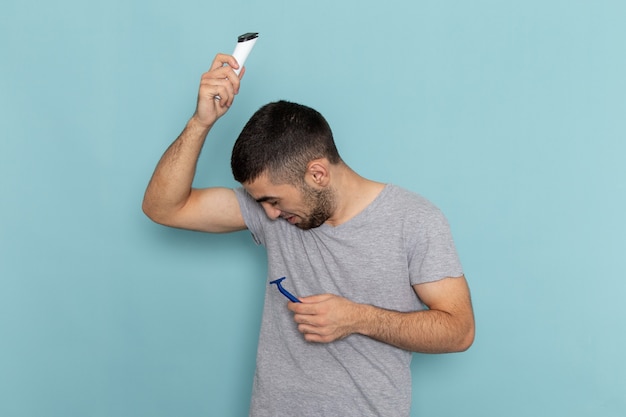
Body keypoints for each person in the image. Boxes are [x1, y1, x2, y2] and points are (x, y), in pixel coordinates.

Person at [142, 53, 475, 417]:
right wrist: (200, 122)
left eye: (273, 200)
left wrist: (357, 318)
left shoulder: (415, 220)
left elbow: (459, 330)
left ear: (317, 174)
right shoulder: (274, 215)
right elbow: (163, 207)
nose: (268, 214)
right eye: (261, 203)